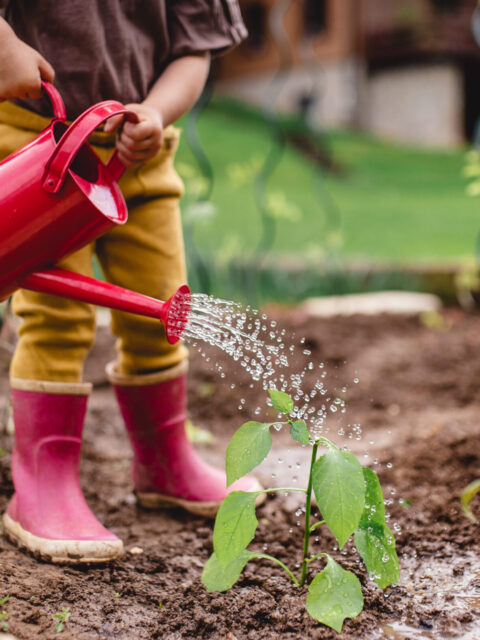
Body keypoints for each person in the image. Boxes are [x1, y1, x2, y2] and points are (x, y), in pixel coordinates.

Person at [0, 1, 261, 564]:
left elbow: (195, 49)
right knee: (57, 320)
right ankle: (41, 482)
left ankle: (165, 460)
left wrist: (157, 112)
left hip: (140, 154)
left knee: (164, 308)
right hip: (36, 151)